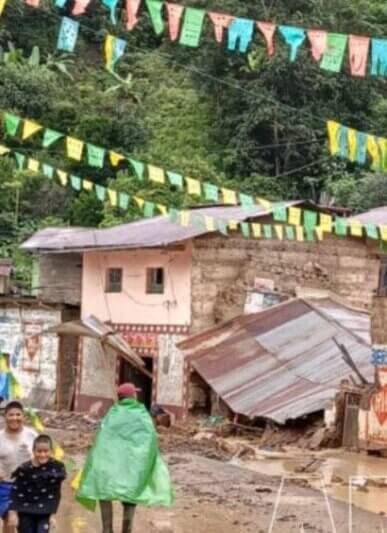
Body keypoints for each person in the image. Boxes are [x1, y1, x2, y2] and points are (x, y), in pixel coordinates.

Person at [76, 382, 174, 533]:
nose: (137, 395)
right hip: (132, 465)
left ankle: (107, 529)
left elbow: (102, 439)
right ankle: (126, 530)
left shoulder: (112, 413)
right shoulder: (141, 413)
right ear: (133, 396)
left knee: (104, 490)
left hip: (110, 464)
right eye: (135, 393)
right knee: (130, 494)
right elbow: (149, 439)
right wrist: (144, 459)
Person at [7, 434, 66, 533]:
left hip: (45, 511)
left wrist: (53, 515)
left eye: (46, 451)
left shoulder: (56, 468)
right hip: (25, 510)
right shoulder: (24, 468)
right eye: (39, 451)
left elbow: (55, 494)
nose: (42, 455)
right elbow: (16, 491)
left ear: (51, 451)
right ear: (33, 451)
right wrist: (13, 512)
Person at [0, 401, 37, 532]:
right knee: (9, 522)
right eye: (11, 415)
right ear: (5, 417)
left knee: (25, 524)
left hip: (28, 486)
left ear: (23, 417)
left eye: (18, 414)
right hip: (5, 487)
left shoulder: (32, 435)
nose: (14, 418)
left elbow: (44, 457)